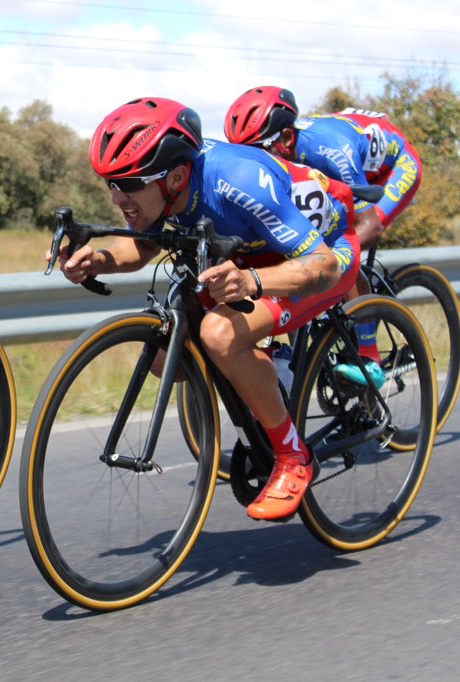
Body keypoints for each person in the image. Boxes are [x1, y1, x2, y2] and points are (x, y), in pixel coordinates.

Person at [49, 97, 362, 521]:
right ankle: (271, 372)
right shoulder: (166, 188)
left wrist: (252, 282)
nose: (118, 197)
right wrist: (99, 260)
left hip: (324, 252)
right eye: (111, 184)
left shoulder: (239, 181)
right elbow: (143, 246)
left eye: (129, 183)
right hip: (256, 253)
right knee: (166, 360)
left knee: (220, 333)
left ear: (176, 176)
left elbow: (321, 265)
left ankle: (292, 457)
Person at [224, 85, 423, 388]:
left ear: (286, 139)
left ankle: (369, 355)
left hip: (391, 168)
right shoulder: (278, 157)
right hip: (342, 165)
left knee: (349, 244)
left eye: (259, 152)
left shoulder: (330, 151)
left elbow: (367, 223)